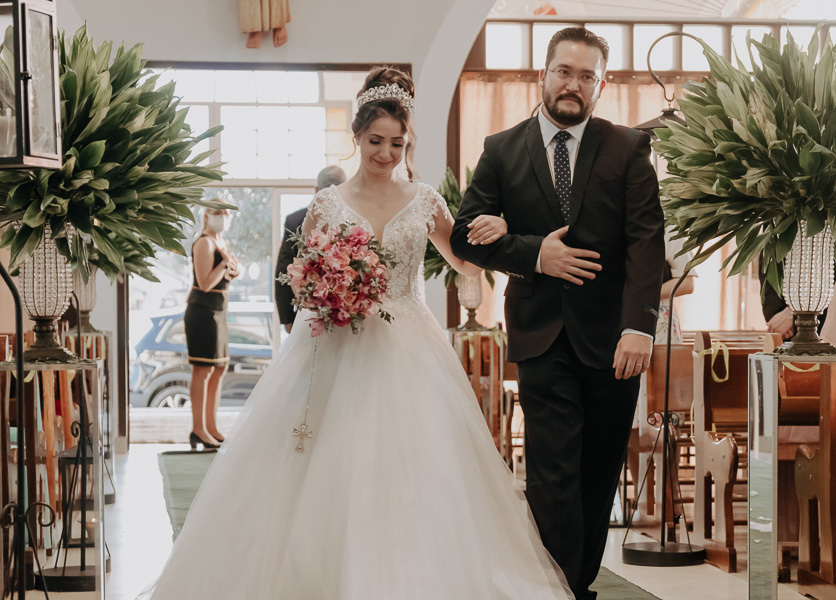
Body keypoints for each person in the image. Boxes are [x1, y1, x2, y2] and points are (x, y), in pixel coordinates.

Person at [141, 67, 573, 600]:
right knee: (333, 465)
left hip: (412, 346)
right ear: (357, 137)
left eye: (398, 142)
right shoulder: (327, 204)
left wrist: (498, 233)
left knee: (416, 470)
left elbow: (464, 259)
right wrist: (327, 292)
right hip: (340, 342)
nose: (386, 153)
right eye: (376, 141)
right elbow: (311, 275)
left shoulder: (426, 199)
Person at [451, 27, 665, 600]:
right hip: (541, 337)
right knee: (552, 476)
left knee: (598, 476)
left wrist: (641, 325)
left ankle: (576, 582)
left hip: (615, 343)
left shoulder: (626, 146)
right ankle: (558, 590)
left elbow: (647, 242)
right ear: (542, 74)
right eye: (564, 71)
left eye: (586, 76)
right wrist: (532, 253)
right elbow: (465, 238)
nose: (573, 84)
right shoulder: (501, 149)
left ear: (601, 84)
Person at [184, 201, 239, 450]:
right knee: (203, 370)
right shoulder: (204, 242)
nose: (224, 218)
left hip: (218, 311)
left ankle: (211, 426)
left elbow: (228, 273)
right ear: (206, 215)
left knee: (218, 369)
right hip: (202, 311)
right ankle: (198, 429)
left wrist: (232, 268)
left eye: (227, 214)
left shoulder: (222, 243)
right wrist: (224, 264)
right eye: (219, 213)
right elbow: (205, 282)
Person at [274, 165, 347, 333]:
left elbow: (285, 269)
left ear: (316, 189)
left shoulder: (295, 220)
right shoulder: (357, 219)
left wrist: (287, 318)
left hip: (311, 311)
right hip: (342, 310)